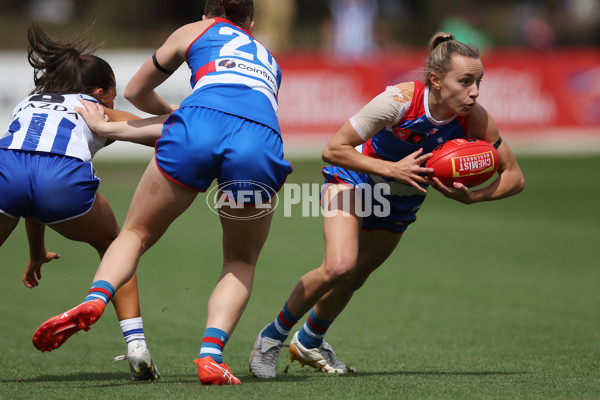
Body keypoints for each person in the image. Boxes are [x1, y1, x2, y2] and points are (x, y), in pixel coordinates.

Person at [33, 0, 292, 386]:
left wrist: (178, 117)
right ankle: (210, 356)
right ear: (251, 23)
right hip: (260, 138)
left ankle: (95, 299)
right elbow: (248, 106)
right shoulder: (269, 57)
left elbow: (136, 92)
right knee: (241, 259)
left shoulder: (196, 30)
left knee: (135, 234)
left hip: (198, 122)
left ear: (208, 14)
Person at [249, 32, 525, 378]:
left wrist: (474, 197)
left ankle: (311, 341)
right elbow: (335, 148)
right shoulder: (398, 101)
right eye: (466, 81)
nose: (475, 91)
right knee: (338, 266)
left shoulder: (475, 119)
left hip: (402, 198)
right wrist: (392, 169)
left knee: (355, 277)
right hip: (355, 178)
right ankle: (271, 338)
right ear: (437, 81)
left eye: (478, 81)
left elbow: (515, 176)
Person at [0, 24, 161, 381]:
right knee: (119, 245)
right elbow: (165, 132)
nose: (113, 105)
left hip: (5, 171)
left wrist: (36, 252)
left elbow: (30, 183)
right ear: (100, 92)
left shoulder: (28, 102)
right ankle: (137, 349)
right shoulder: (93, 106)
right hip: (62, 180)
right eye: (113, 96)